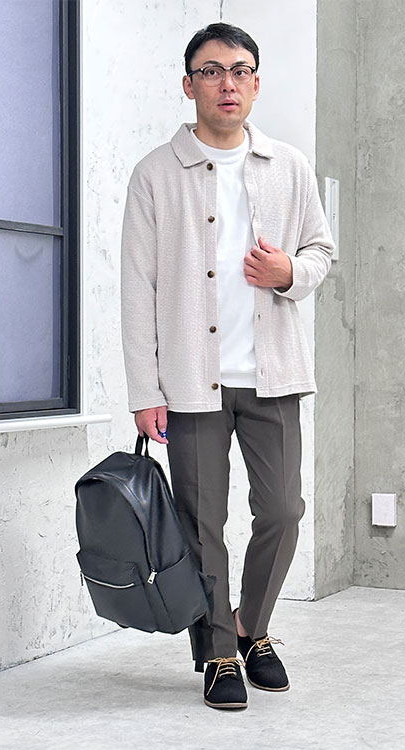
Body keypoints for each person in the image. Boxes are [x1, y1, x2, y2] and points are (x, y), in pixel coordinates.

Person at [120, 22, 334, 710]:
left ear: (256, 83)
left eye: (240, 70)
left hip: (274, 377)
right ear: (189, 86)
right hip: (191, 385)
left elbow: (321, 251)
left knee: (284, 511)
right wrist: (144, 389)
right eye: (211, 71)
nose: (227, 83)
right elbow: (137, 290)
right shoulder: (156, 174)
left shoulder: (289, 166)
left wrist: (288, 272)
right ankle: (216, 650)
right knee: (200, 522)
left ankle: (252, 627)